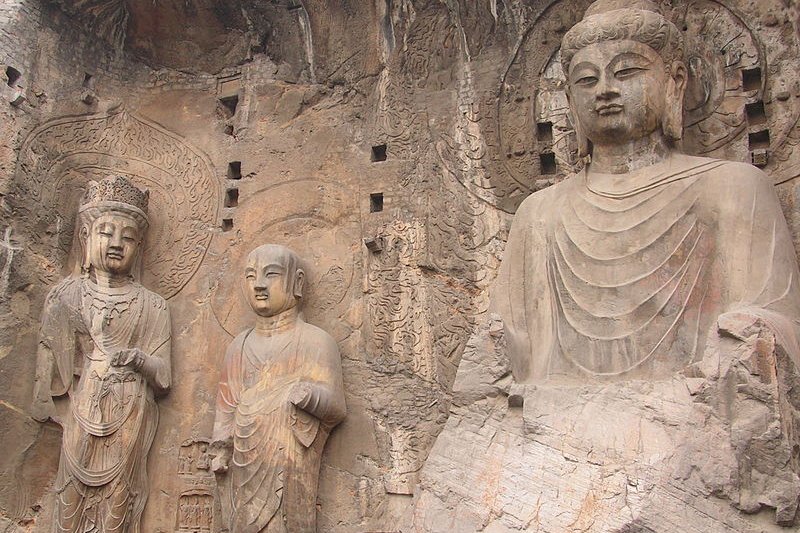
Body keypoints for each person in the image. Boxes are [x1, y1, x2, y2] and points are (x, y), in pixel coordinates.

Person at [493, 0, 800, 383]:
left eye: (627, 72)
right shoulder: (539, 212)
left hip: (688, 411)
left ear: (675, 82)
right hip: (554, 418)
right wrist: (494, 353)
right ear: (570, 102)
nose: (605, 90)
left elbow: (773, 326)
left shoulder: (733, 187)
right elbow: (512, 340)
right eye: (587, 80)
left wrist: (747, 335)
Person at [31, 175, 171, 533]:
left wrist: (140, 360)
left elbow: (164, 376)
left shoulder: (152, 305)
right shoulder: (66, 296)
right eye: (106, 232)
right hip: (83, 404)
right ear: (85, 237)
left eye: (128, 237)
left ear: (139, 247)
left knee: (120, 497)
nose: (116, 243)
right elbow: (50, 366)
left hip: (130, 406)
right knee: (70, 493)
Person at [211, 244, 346, 533]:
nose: (259, 285)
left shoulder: (315, 341)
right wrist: (220, 448)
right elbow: (226, 408)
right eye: (251, 276)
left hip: (290, 465)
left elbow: (336, 407)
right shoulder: (239, 346)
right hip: (242, 464)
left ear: (296, 282)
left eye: (270, 275)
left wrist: (306, 395)